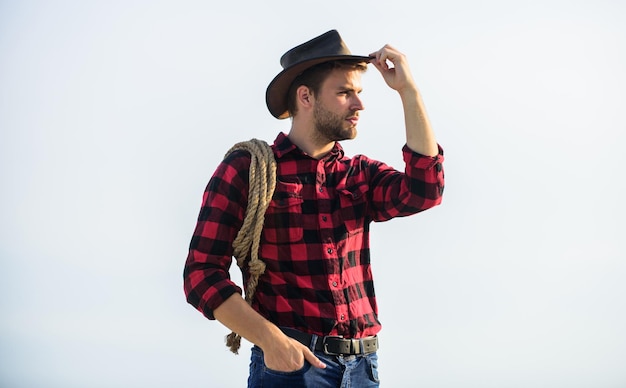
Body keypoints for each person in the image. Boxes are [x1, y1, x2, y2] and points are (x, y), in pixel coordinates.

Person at [184, 30, 445, 387]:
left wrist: (408, 91)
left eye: (359, 93)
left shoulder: (358, 175)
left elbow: (425, 190)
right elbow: (201, 273)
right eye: (344, 93)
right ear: (305, 97)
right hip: (293, 367)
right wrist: (272, 341)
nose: (359, 105)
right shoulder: (248, 168)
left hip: (364, 368)